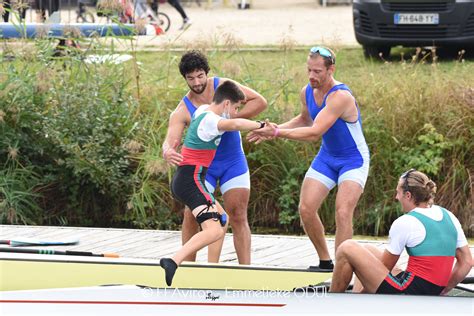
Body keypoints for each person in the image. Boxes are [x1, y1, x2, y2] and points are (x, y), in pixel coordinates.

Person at [248, 46, 370, 271]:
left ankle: (343, 270)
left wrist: (276, 133)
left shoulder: (340, 96)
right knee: (306, 209)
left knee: (343, 211)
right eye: (309, 70)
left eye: (317, 72)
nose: (312, 76)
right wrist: (272, 130)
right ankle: (326, 262)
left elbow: (314, 132)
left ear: (331, 70)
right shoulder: (307, 91)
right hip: (328, 157)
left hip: (353, 160)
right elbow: (305, 119)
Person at [162, 50, 267, 265]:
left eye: (200, 76)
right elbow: (170, 140)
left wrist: (230, 116)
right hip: (204, 169)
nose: (197, 82)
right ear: (185, 79)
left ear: (207, 73)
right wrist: (167, 150)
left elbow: (260, 102)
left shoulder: (224, 87)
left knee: (237, 214)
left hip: (232, 162)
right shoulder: (184, 109)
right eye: (191, 78)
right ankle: (188, 267)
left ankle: (245, 271)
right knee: (192, 216)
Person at [330, 169, 472, 295]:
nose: (396, 197)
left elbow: (384, 268)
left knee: (346, 247)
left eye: (398, 192)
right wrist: (445, 289)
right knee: (367, 250)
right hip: (430, 288)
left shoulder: (406, 222)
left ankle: (336, 304)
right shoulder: (448, 215)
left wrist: (364, 297)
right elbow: (467, 262)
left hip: (407, 290)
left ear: (408, 195)